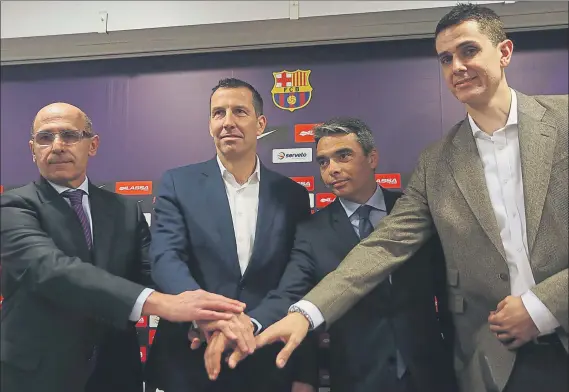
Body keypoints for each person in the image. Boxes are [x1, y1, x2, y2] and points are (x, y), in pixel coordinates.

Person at [248, 4, 569, 392]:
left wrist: (541, 305)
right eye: (446, 58)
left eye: (469, 51)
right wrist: (305, 313)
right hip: (494, 366)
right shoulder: (436, 163)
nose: (457, 67)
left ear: (504, 52)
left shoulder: (563, 121)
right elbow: (383, 245)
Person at [0, 102, 246, 392]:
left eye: (69, 135)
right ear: (32, 149)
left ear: (92, 145)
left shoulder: (124, 210)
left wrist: (202, 316)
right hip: (38, 374)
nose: (56, 146)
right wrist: (164, 304)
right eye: (45, 137)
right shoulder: (13, 206)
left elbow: (152, 273)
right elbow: (52, 270)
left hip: (115, 372)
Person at [208, 117, 458, 392]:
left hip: (431, 373)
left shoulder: (415, 211)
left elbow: (449, 287)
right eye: (324, 162)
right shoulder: (312, 232)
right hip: (357, 378)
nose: (332, 169)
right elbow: (290, 292)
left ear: (372, 158)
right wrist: (250, 323)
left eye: (343, 156)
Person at [144, 78, 317, 392]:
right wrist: (211, 318)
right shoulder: (177, 183)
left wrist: (249, 324)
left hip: (266, 358)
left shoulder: (292, 195)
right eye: (218, 113)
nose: (227, 122)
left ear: (260, 123)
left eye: (239, 111)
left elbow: (297, 277)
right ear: (210, 123)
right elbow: (165, 258)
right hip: (190, 358)